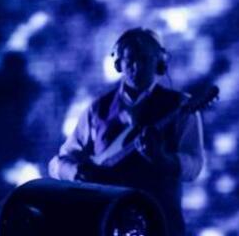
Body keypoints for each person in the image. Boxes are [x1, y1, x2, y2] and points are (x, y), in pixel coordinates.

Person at [49, 28, 205, 236]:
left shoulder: (180, 106)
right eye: (130, 59)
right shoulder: (97, 109)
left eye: (145, 59)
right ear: (118, 64)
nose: (137, 66)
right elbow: (58, 163)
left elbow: (195, 165)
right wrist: (76, 172)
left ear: (159, 63)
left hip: (160, 224)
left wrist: (165, 160)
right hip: (106, 223)